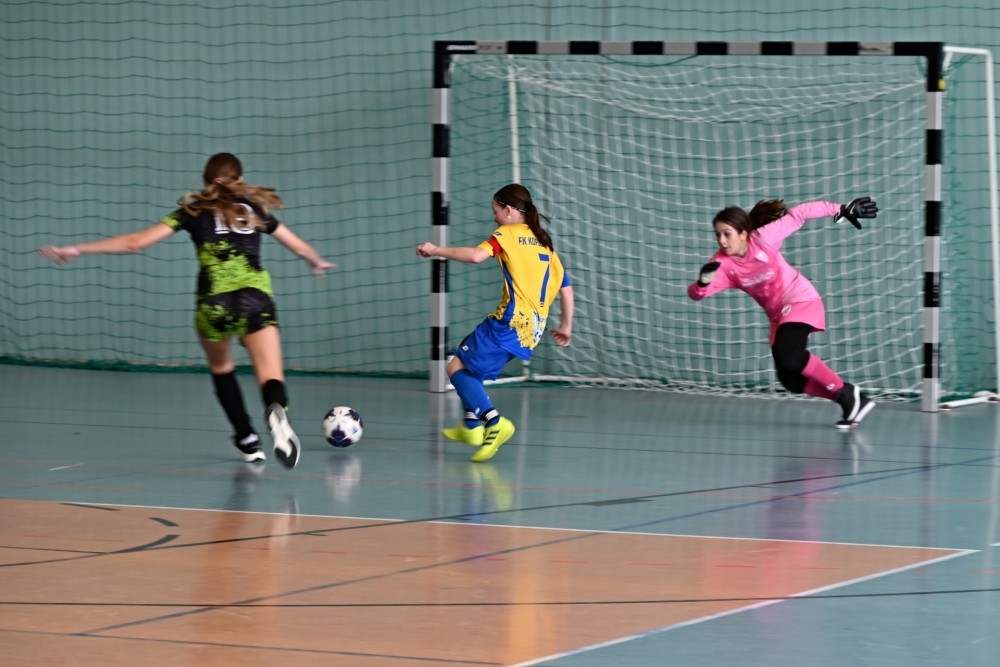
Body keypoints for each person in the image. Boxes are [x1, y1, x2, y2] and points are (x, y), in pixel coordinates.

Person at [39, 152, 333, 468]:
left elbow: (136, 243)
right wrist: (315, 261)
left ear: (206, 180)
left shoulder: (191, 211)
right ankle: (276, 414)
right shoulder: (254, 210)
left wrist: (77, 249)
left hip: (214, 303)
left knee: (222, 368)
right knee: (270, 375)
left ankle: (247, 438)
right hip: (255, 299)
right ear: (240, 180)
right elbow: (298, 246)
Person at [687, 196, 878, 428]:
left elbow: (800, 213)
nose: (722, 240)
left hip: (800, 299)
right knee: (790, 380)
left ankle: (846, 393)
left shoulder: (763, 238)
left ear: (744, 233)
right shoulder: (722, 264)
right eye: (717, 235)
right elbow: (697, 294)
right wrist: (702, 283)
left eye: (727, 234)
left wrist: (841, 209)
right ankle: (852, 400)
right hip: (778, 315)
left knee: (789, 354)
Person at [416, 183, 574, 462]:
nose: (495, 218)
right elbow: (566, 288)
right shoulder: (544, 242)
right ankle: (471, 427)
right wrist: (566, 326)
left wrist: (436, 249)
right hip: (532, 329)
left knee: (454, 368)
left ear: (509, 211)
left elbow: (476, 256)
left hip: (510, 322)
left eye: (496, 212)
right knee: (469, 359)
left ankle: (494, 422)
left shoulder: (507, 234)